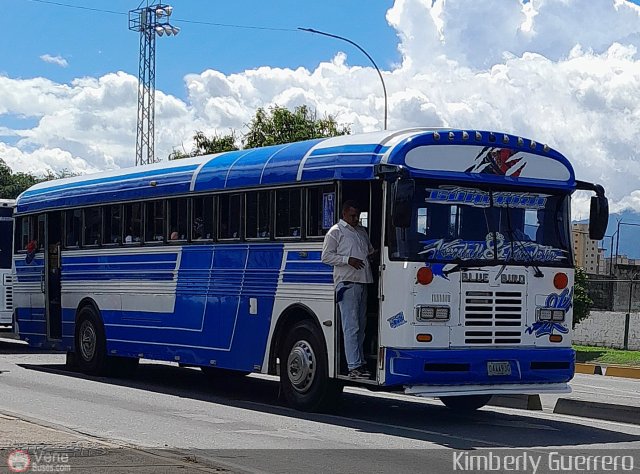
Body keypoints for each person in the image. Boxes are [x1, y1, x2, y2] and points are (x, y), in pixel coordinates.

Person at [321, 200, 374, 380]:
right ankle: (354, 366)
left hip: (363, 280)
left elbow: (369, 251)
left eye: (357, 216)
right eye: (352, 215)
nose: (355, 219)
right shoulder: (336, 231)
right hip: (347, 282)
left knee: (361, 325)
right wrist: (346, 260)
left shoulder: (361, 231)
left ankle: (359, 362)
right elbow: (326, 256)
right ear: (344, 214)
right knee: (351, 326)